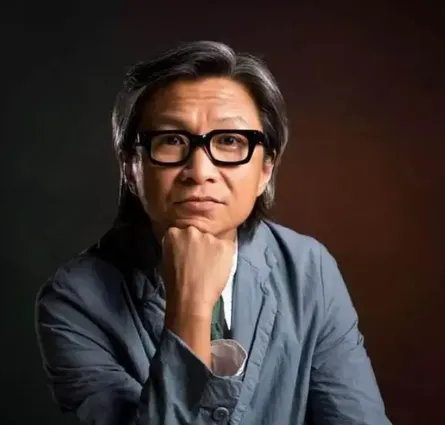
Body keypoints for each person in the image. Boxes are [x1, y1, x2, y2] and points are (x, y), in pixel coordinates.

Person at [35, 40, 392, 425]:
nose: (200, 172)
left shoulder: (308, 268)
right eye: (172, 140)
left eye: (230, 141)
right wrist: (190, 307)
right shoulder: (74, 301)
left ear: (266, 170)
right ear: (131, 167)